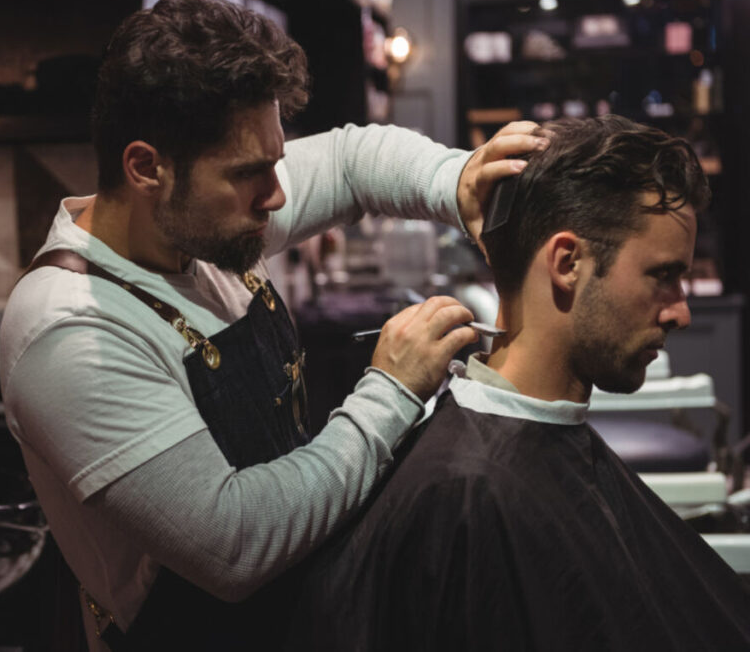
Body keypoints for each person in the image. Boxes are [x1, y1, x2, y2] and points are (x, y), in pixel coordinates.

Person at [0, 0, 544, 650]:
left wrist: (457, 180)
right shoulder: (71, 329)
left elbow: (350, 161)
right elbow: (235, 542)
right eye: (250, 173)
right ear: (146, 167)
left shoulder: (198, 220)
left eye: (275, 161)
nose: (278, 195)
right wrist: (390, 392)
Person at [284, 115, 750, 652]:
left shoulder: (511, 465)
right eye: (663, 275)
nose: (682, 312)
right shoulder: (466, 494)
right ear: (567, 262)